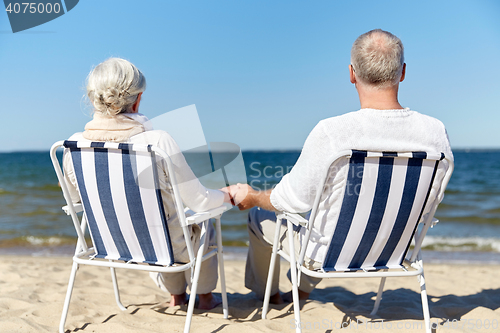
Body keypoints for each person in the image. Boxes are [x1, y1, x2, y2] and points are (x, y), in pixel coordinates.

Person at [233, 29, 453, 304]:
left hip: (330, 254)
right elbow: (431, 200)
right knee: (336, 215)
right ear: (403, 72)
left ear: (352, 73)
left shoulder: (333, 132)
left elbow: (292, 200)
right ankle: (300, 292)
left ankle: (269, 296)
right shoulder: (434, 132)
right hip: (395, 252)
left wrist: (252, 196)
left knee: (261, 217)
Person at [63, 57, 236, 310]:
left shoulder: (73, 146)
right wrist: (227, 194)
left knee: (165, 217)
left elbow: (75, 201)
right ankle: (205, 297)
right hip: (167, 250)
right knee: (202, 218)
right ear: (138, 99)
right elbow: (200, 201)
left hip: (113, 247)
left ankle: (176, 295)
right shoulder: (157, 142)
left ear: (92, 100)